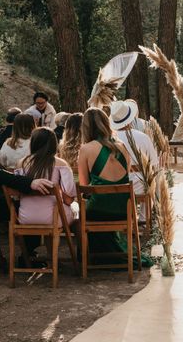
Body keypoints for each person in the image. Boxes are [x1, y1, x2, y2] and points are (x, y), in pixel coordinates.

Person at [77, 107, 132, 255]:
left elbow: (83, 185)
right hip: (123, 210)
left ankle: (95, 256)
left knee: (81, 211)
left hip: (98, 211)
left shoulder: (86, 149)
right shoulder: (122, 147)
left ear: (86, 127)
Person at [110, 100, 159, 225]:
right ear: (130, 118)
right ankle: (143, 218)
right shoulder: (143, 137)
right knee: (150, 179)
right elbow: (154, 164)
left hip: (113, 185)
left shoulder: (108, 140)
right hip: (138, 185)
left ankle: (120, 216)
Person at [15, 128, 76, 226]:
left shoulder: (20, 164)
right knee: (75, 211)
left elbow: (16, 195)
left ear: (33, 143)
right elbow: (69, 200)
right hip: (55, 218)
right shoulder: (61, 164)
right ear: (53, 144)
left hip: (25, 217)